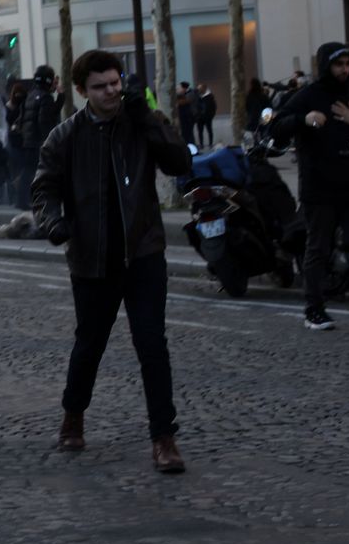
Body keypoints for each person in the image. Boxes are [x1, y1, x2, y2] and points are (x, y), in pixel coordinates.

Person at [31, 50, 192, 473]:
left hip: (143, 252)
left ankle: (164, 438)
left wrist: (148, 114)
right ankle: (73, 416)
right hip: (92, 258)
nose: (112, 92)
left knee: (152, 345)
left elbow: (180, 161)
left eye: (116, 83)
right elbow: (43, 189)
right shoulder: (64, 136)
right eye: (101, 86)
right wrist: (54, 222)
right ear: (82, 90)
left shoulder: (139, 124)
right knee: (90, 344)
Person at [269, 43, 349, 330]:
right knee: (318, 248)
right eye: (338, 64)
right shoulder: (307, 96)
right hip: (319, 188)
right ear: (325, 66)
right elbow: (276, 126)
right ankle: (314, 309)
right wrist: (303, 120)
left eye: (347, 64)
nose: (344, 70)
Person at [16, 66, 61, 206]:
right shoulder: (45, 97)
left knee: (28, 172)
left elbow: (22, 119)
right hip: (38, 142)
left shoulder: (30, 94)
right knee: (39, 173)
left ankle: (21, 200)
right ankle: (31, 200)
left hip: (29, 141)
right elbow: (46, 121)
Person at [194, 83, 217, 148]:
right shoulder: (197, 96)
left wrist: (211, 115)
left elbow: (214, 107)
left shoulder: (210, 96)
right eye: (198, 88)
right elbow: (195, 106)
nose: (198, 89)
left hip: (207, 117)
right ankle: (201, 144)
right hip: (199, 117)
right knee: (200, 131)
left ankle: (210, 144)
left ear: (204, 88)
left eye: (200, 88)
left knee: (209, 130)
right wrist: (196, 115)